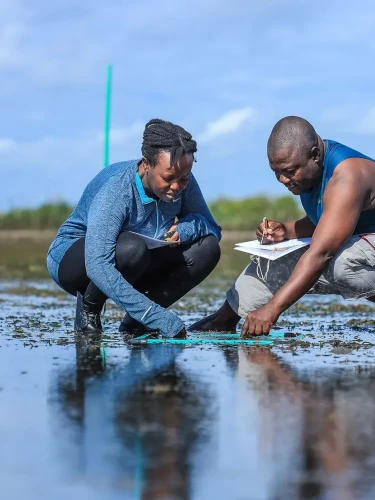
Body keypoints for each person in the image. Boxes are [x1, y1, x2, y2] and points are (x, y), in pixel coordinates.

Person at [191, 116, 375, 337]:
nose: (282, 180)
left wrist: (272, 309)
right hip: (362, 239)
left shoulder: (347, 177)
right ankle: (225, 318)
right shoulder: (312, 169)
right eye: (276, 171)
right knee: (273, 257)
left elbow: (322, 253)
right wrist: (286, 231)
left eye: (289, 171)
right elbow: (331, 220)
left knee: (340, 262)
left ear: (315, 155)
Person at [47, 118, 221, 337]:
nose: (177, 187)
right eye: (168, 178)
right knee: (131, 248)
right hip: (76, 259)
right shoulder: (117, 189)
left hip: (137, 258)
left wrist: (187, 228)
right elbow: (98, 265)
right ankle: (89, 309)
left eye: (184, 178)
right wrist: (157, 316)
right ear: (146, 164)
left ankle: (134, 322)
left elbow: (213, 227)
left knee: (208, 248)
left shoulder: (181, 179)